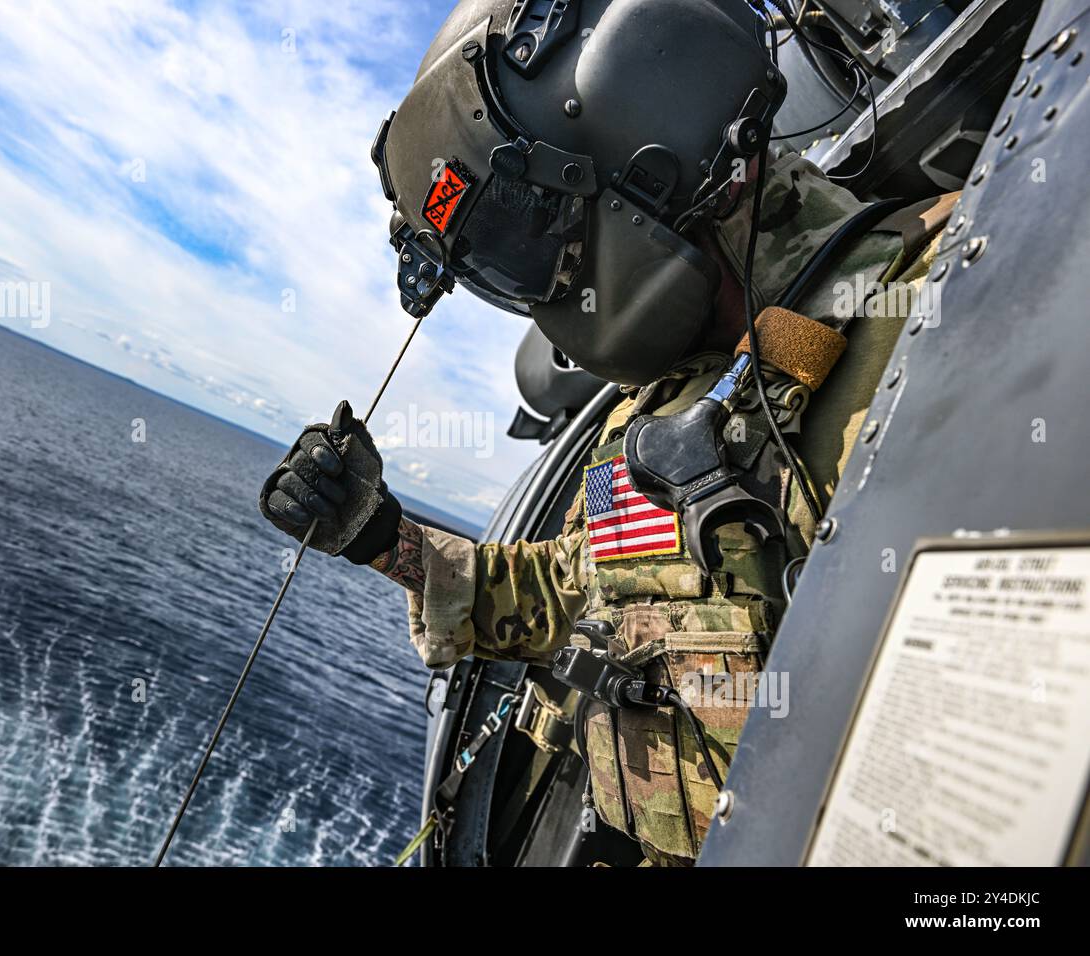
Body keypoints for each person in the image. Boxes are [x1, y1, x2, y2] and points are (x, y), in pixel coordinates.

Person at [259, 0, 955, 864]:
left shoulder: (938, 318)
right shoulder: (652, 411)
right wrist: (379, 537)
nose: (550, 305)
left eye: (539, 250)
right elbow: (557, 597)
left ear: (670, 169)